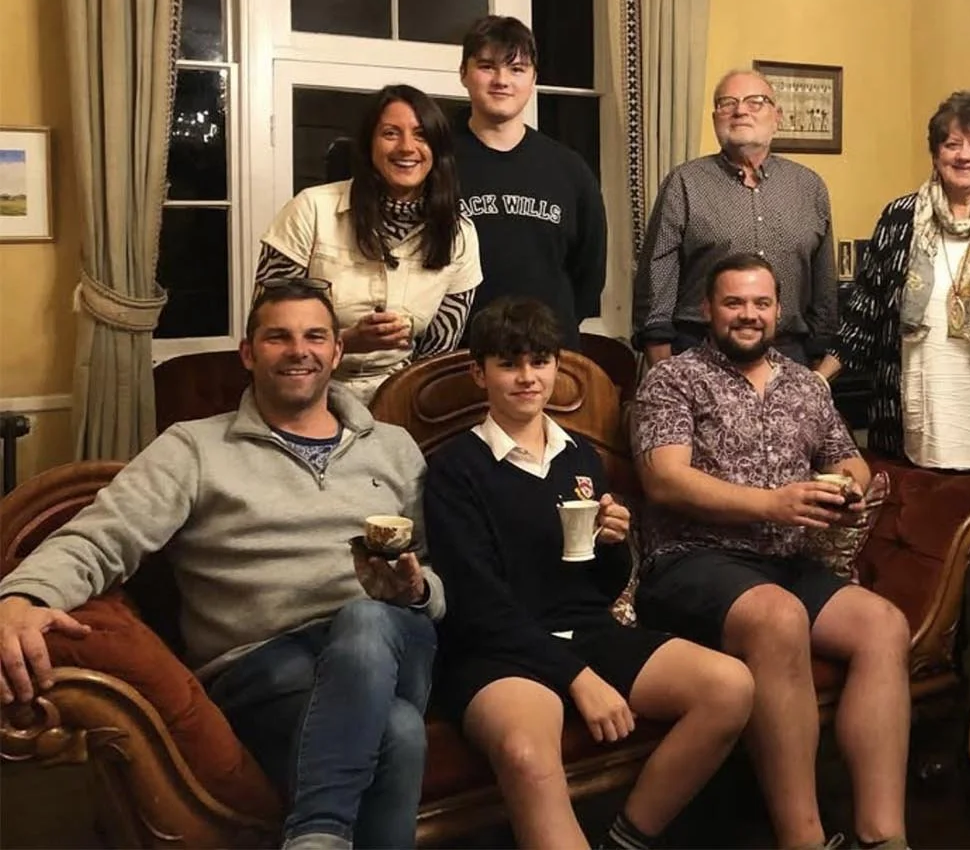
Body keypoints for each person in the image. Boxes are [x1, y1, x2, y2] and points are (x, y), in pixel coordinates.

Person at [0, 280, 444, 850]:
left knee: (366, 620)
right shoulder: (193, 449)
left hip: (394, 644)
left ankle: (317, 836)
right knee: (399, 733)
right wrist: (25, 597)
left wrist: (413, 589)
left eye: (315, 336)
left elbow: (435, 574)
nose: (298, 350)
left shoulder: (394, 446)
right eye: (277, 336)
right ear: (249, 352)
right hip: (265, 668)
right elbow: (100, 535)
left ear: (337, 351)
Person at [423, 297, 753, 850]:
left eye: (540, 361)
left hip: (586, 630)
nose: (528, 377)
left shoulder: (579, 456)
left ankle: (625, 839)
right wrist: (579, 679)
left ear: (556, 366)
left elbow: (595, 586)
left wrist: (613, 545)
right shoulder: (455, 469)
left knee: (731, 687)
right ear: (479, 373)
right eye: (509, 364)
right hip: (496, 651)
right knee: (527, 752)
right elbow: (476, 606)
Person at [633, 254, 911, 850]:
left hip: (787, 562)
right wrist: (770, 504)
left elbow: (850, 460)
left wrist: (850, 491)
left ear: (779, 312)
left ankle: (883, 835)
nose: (748, 315)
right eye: (734, 303)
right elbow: (665, 479)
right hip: (692, 560)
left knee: (883, 624)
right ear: (707, 310)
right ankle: (803, 840)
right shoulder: (673, 379)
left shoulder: (808, 385)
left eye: (761, 303)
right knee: (777, 617)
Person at [817, 89, 970, 475]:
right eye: (951, 144)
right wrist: (818, 379)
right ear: (936, 154)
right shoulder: (900, 219)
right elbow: (863, 316)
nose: (964, 155)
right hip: (924, 423)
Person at [258, 84, 482, 403]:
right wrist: (346, 341)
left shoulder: (459, 234)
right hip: (303, 390)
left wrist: (401, 405)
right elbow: (266, 330)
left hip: (402, 396)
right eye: (391, 133)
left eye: (421, 135)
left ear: (437, 149)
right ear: (369, 145)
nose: (407, 147)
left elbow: (438, 351)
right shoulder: (310, 209)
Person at [633, 69, 838, 367]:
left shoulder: (809, 187)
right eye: (727, 103)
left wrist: (819, 367)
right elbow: (656, 282)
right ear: (715, 118)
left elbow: (824, 288)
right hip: (700, 356)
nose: (740, 111)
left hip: (789, 357)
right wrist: (663, 369)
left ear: (777, 116)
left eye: (755, 101)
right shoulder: (684, 183)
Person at [453, 15, 606, 349]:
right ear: (463, 72)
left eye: (516, 69)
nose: (501, 80)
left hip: (549, 361)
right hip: (456, 358)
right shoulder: (435, 164)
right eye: (487, 66)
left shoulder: (570, 169)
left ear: (534, 77)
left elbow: (589, 275)